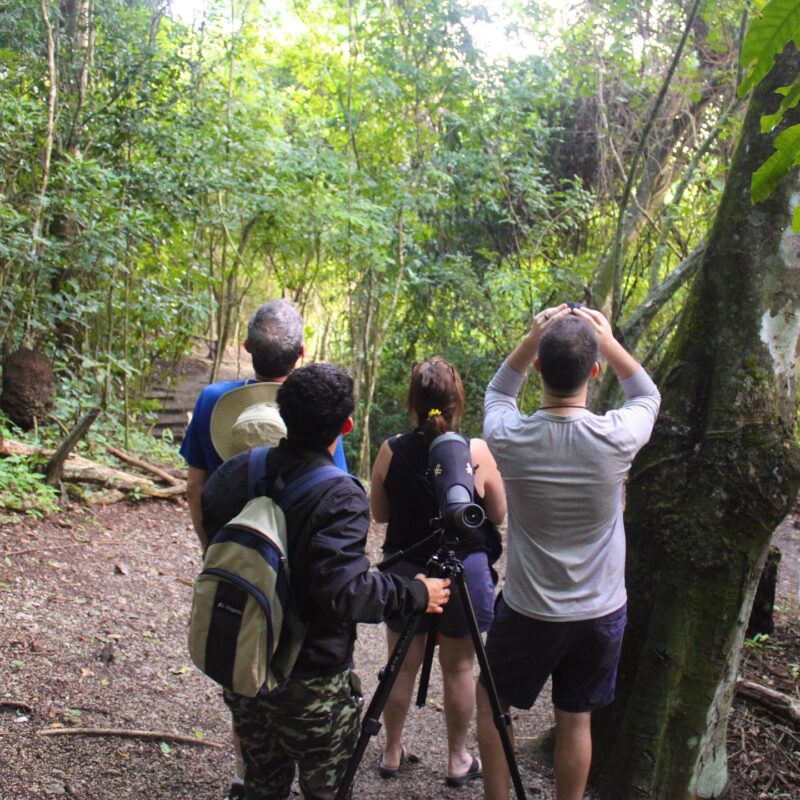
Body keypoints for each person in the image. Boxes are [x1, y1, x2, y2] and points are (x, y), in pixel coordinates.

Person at [201, 362, 452, 800]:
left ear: (282, 412)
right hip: (312, 679)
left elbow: (214, 536)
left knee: (262, 781)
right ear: (347, 425)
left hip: (244, 659)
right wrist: (414, 592)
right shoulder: (339, 494)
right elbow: (346, 592)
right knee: (328, 788)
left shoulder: (236, 472)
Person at [477, 304, 661, 800]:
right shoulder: (616, 437)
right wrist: (609, 340)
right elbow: (646, 393)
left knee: (492, 701)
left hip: (529, 607)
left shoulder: (509, 436)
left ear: (538, 366)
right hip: (600, 610)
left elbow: (498, 392)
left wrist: (531, 339)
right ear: (595, 370)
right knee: (576, 717)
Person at [179, 299, 346, 800]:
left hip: (234, 560)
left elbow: (195, 488)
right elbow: (327, 488)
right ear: (301, 352)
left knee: (240, 655)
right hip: (296, 571)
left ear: (247, 348)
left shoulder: (213, 401)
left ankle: (247, 770)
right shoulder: (315, 411)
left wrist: (215, 550)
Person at [370, 357, 506, 786]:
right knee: (460, 668)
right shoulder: (476, 451)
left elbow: (379, 512)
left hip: (407, 572)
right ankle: (457, 759)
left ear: (413, 402)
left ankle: (391, 751)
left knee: (400, 665)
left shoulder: (391, 449)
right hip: (465, 571)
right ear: (457, 402)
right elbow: (497, 513)